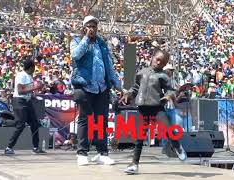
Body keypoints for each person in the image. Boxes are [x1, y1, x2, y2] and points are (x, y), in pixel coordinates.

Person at [120, 49, 187, 174]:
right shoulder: (141, 72)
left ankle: (177, 146)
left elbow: (171, 90)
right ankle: (134, 164)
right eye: (157, 59)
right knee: (139, 138)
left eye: (162, 62)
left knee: (168, 130)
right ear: (152, 57)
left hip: (157, 109)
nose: (159, 63)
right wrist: (128, 95)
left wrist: (167, 97)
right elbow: (135, 87)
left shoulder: (163, 76)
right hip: (142, 109)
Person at [70, 15, 122, 166]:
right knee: (84, 119)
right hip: (85, 86)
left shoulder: (101, 43)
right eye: (89, 26)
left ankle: (102, 152)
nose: (93, 28)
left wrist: (117, 84)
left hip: (102, 87)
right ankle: (82, 153)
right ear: (84, 27)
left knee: (101, 120)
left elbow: (109, 65)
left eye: (95, 26)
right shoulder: (76, 41)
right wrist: (86, 38)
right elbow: (75, 55)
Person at [4, 59, 46, 155]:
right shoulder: (21, 75)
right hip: (19, 101)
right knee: (21, 125)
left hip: (27, 101)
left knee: (35, 124)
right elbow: (20, 91)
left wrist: (34, 96)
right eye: (34, 67)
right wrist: (36, 87)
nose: (34, 69)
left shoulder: (30, 77)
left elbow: (28, 90)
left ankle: (36, 147)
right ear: (31, 67)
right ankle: (8, 147)